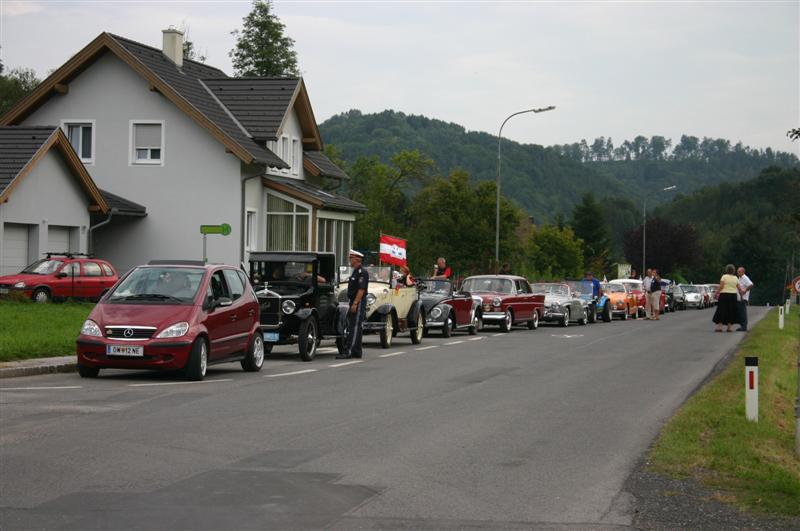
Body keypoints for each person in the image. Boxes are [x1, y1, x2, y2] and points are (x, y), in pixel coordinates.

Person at [338, 250, 369, 359]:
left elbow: (361, 290)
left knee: (355, 326)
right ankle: (357, 351)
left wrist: (355, 303)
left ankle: (349, 351)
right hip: (354, 301)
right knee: (355, 326)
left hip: (358, 301)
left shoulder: (362, 272)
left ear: (357, 259)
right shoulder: (355, 272)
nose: (349, 260)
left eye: (351, 258)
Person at [713, 264, 740, 332]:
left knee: (722, 310)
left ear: (726, 270)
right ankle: (729, 327)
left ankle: (720, 327)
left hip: (724, 295)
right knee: (731, 311)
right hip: (733, 296)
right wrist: (742, 294)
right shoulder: (736, 278)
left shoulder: (724, 276)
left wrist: (716, 293)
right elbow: (739, 288)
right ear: (733, 271)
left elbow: (721, 286)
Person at [736, 266, 753, 331]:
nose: (738, 273)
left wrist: (745, 290)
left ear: (743, 272)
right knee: (740, 312)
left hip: (743, 298)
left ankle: (744, 326)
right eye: (737, 271)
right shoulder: (739, 278)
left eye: (739, 271)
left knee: (743, 312)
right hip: (739, 297)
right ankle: (742, 326)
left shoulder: (744, 278)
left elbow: (751, 284)